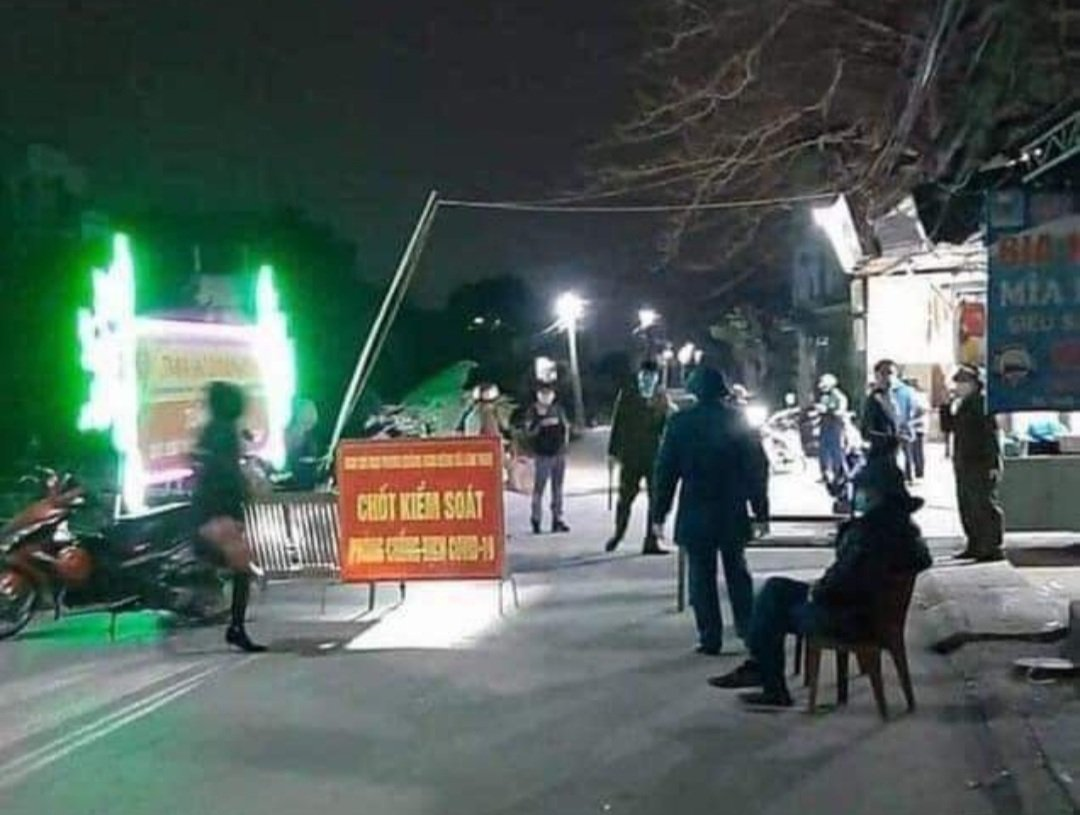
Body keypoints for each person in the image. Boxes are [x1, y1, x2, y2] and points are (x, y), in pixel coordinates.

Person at [709, 457, 931, 708]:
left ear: (876, 494)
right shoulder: (901, 528)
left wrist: (817, 591)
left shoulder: (872, 534)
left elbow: (844, 582)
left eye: (862, 490)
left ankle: (768, 679)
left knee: (772, 607)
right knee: (776, 588)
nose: (857, 495)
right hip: (864, 612)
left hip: (850, 618)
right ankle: (761, 668)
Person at [653, 367, 769, 656]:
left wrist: (659, 514)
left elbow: (665, 471)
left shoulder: (680, 423)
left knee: (700, 575)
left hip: (695, 507)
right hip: (731, 506)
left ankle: (710, 636)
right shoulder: (738, 420)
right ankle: (747, 628)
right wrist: (760, 511)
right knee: (737, 570)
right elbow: (757, 468)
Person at [190, 382, 266, 653]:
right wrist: (243, 488)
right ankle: (236, 627)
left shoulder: (215, 431)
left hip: (215, 509)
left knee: (241, 567)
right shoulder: (223, 432)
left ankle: (236, 626)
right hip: (218, 510)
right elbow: (225, 472)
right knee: (242, 566)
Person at [605, 360, 670, 555]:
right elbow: (618, 422)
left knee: (655, 500)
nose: (647, 379)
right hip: (631, 455)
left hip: (654, 456)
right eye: (644, 376)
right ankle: (618, 533)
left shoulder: (661, 397)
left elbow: (665, 427)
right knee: (625, 497)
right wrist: (612, 452)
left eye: (651, 376)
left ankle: (651, 540)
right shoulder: (628, 394)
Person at [939, 365, 1004, 562]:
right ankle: (975, 543)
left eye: (963, 382)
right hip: (964, 462)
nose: (959, 386)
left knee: (983, 505)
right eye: (958, 382)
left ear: (975, 384)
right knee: (967, 505)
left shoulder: (981, 404)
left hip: (980, 463)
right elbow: (948, 427)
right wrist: (945, 406)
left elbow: (991, 436)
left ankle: (991, 546)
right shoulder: (963, 405)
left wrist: (993, 463)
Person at [525, 384, 571, 535]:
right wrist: (540, 423)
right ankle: (536, 519)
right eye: (543, 393)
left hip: (559, 454)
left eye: (549, 392)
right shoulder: (533, 411)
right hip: (543, 455)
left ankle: (557, 519)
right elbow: (529, 432)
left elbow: (566, 428)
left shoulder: (558, 409)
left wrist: (565, 446)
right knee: (539, 489)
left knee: (557, 488)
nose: (546, 396)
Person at [861, 359, 914, 461]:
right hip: (880, 456)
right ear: (876, 376)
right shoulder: (873, 400)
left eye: (890, 373)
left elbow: (908, 421)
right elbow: (866, 432)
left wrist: (907, 433)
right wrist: (891, 439)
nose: (887, 377)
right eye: (883, 373)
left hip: (900, 454)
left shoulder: (903, 396)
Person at [816, 374, 849, 491]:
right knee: (823, 450)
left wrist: (828, 410)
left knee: (836, 451)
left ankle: (839, 474)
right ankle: (825, 473)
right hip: (824, 426)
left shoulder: (839, 397)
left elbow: (840, 412)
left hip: (835, 427)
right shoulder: (825, 397)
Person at [285, 398, 320, 490]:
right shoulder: (287, 434)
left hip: (306, 485)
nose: (311, 415)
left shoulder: (311, 438)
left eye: (311, 412)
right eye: (308, 412)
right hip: (288, 484)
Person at [904, 379, 929, 483]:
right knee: (913, 452)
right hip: (913, 427)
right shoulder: (913, 396)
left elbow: (922, 410)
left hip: (917, 427)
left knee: (915, 452)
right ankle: (914, 473)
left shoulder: (918, 396)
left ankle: (917, 473)